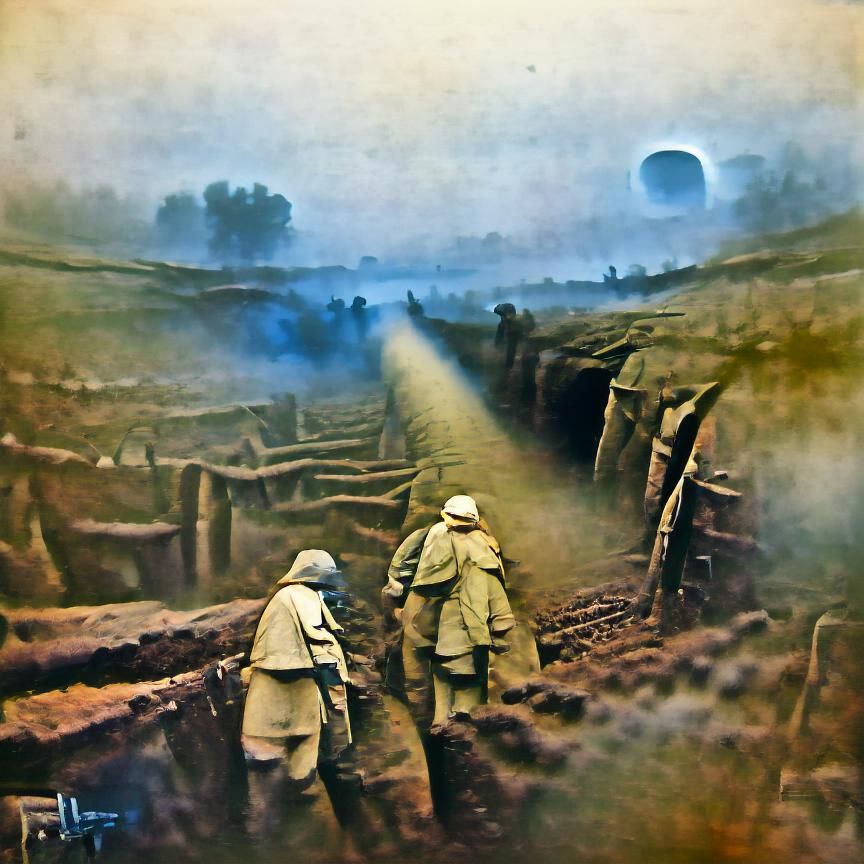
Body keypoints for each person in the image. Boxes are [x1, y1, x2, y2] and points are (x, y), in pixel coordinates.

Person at [398, 495, 515, 730]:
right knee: (463, 682)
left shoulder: (442, 540)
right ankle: (450, 722)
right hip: (464, 639)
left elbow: (407, 574)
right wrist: (500, 631)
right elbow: (501, 613)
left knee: (453, 680)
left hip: (452, 640)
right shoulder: (481, 551)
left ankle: (447, 722)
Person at [241, 549, 352, 785]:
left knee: (266, 758)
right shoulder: (301, 596)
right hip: (296, 681)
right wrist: (335, 670)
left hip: (269, 681)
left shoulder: (287, 594)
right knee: (301, 756)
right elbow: (318, 637)